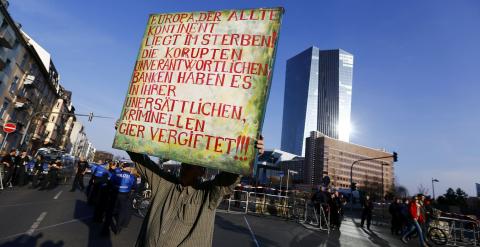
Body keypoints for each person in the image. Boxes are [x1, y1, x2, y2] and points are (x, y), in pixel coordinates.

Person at [118, 120, 265, 247]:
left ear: (202, 171)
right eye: (184, 163)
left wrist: (249, 154)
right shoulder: (163, 182)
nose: (184, 166)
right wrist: (125, 134)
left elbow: (228, 178)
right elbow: (143, 162)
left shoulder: (207, 195)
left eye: (190, 165)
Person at [103, 164, 137, 235]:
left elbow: (110, 183)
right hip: (124, 196)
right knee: (122, 212)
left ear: (123, 168)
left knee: (110, 212)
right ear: (128, 168)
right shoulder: (132, 177)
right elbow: (134, 187)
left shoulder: (116, 174)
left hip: (114, 194)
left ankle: (105, 230)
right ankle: (117, 229)